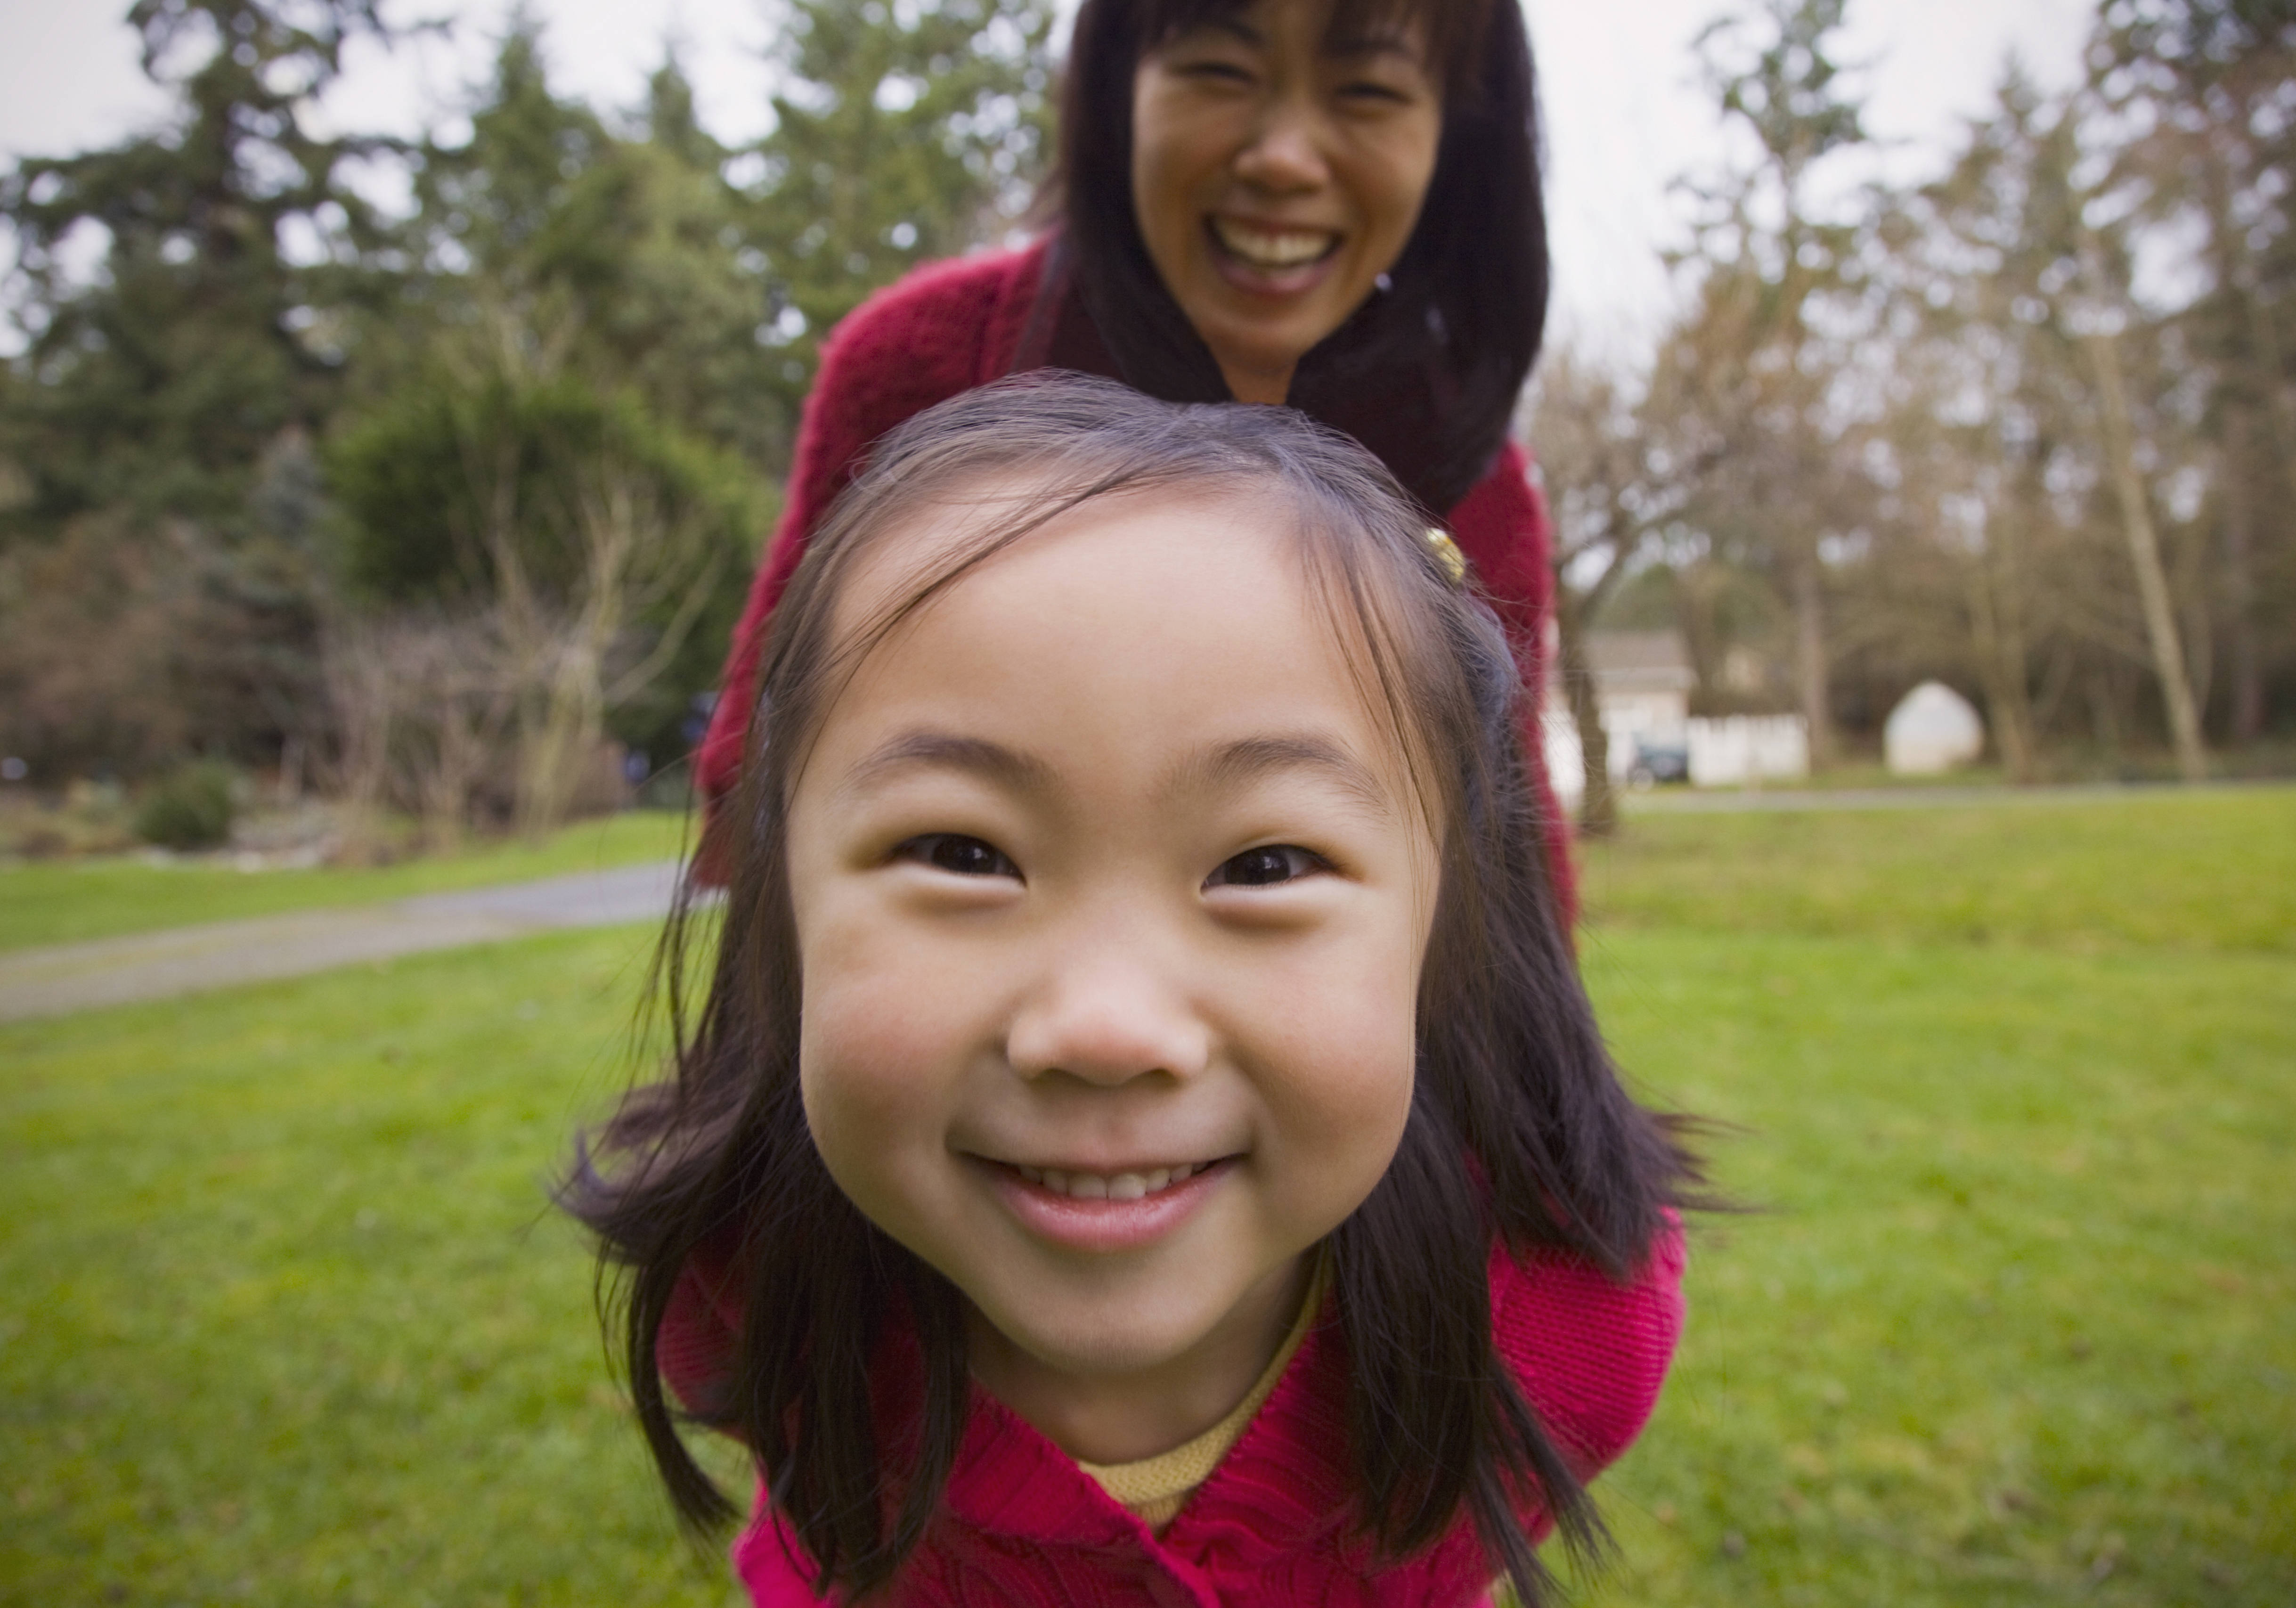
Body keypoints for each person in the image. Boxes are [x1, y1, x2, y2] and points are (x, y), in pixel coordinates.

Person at [570, 375, 1700, 1607]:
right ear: (786, 897)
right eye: (960, 852)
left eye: (1266, 865)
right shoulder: (744, 1291)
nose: (1106, 1029)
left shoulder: (1560, 1336)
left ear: (1444, 924)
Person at [694, 0, 1570, 908]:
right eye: (1220, 71)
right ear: (1118, 94)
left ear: (1456, 144)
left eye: (1369, 91)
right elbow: (749, 782)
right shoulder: (924, 366)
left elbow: (1513, 890)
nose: (1283, 158)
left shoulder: (1476, 485)